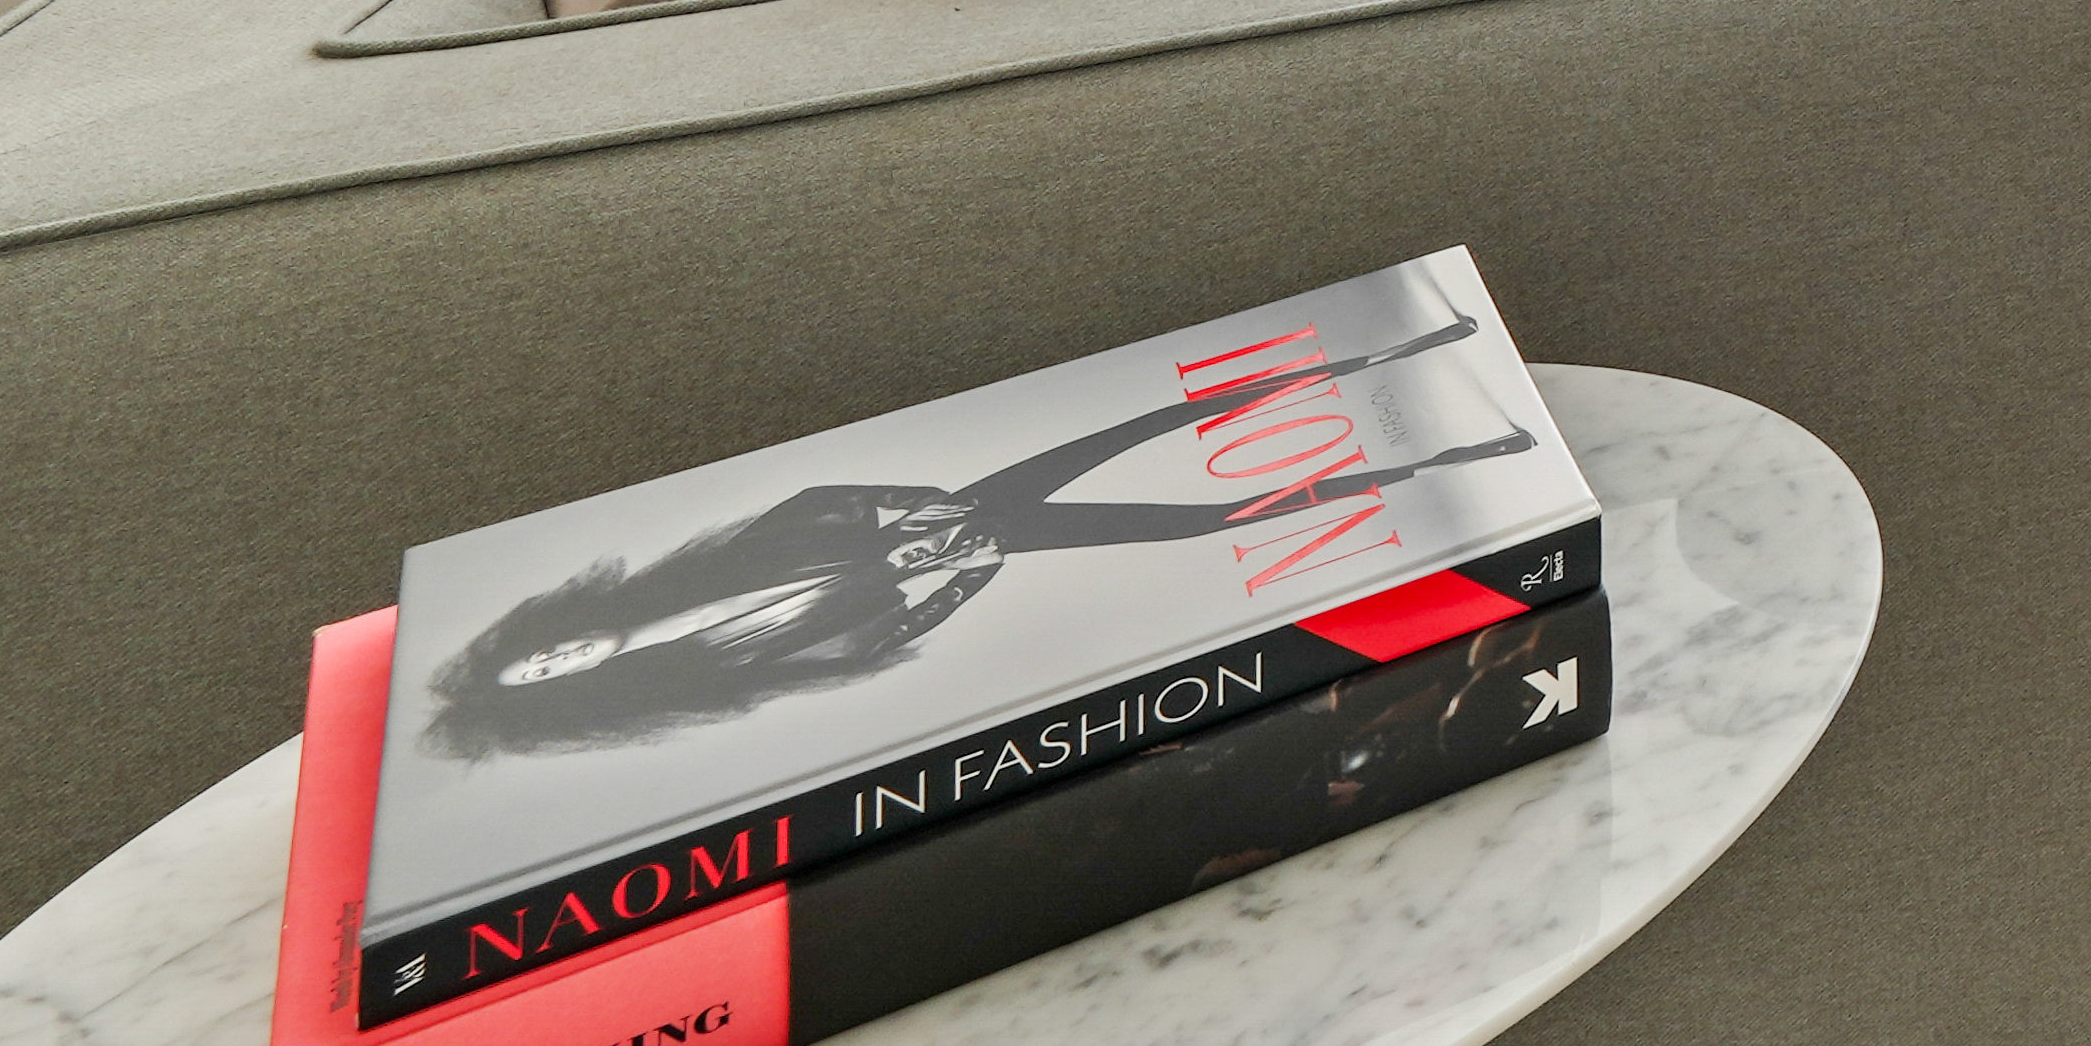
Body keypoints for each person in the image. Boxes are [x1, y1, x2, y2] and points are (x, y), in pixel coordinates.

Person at [415, 310, 1542, 763]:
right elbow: (862, 647)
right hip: (971, 552)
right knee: (1191, 516)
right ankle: (1439, 461)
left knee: (1151, 417)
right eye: (545, 678)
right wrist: (962, 577)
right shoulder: (718, 672)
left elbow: (817, 503)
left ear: (557, 629)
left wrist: (926, 517)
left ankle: (1375, 360)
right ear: (564, 693)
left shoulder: (680, 583)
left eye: (543, 647)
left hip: (948, 509)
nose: (561, 660)